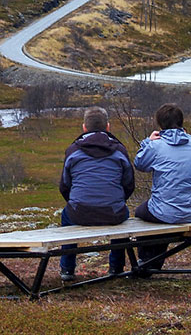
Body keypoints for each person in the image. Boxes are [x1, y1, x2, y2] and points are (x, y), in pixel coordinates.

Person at [59, 106, 134, 281]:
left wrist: (76, 203)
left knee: (66, 217)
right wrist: (116, 201)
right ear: (108, 127)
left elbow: (64, 186)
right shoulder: (120, 150)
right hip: (114, 213)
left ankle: (67, 269)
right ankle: (116, 267)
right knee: (124, 216)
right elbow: (129, 184)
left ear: (84, 127)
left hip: (78, 213)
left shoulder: (73, 151)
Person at [134, 103, 191, 273]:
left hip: (165, 212)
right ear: (181, 122)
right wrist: (186, 138)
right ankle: (153, 264)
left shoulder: (155, 145)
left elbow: (139, 164)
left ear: (160, 124)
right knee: (162, 212)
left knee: (142, 213)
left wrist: (147, 142)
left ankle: (145, 262)